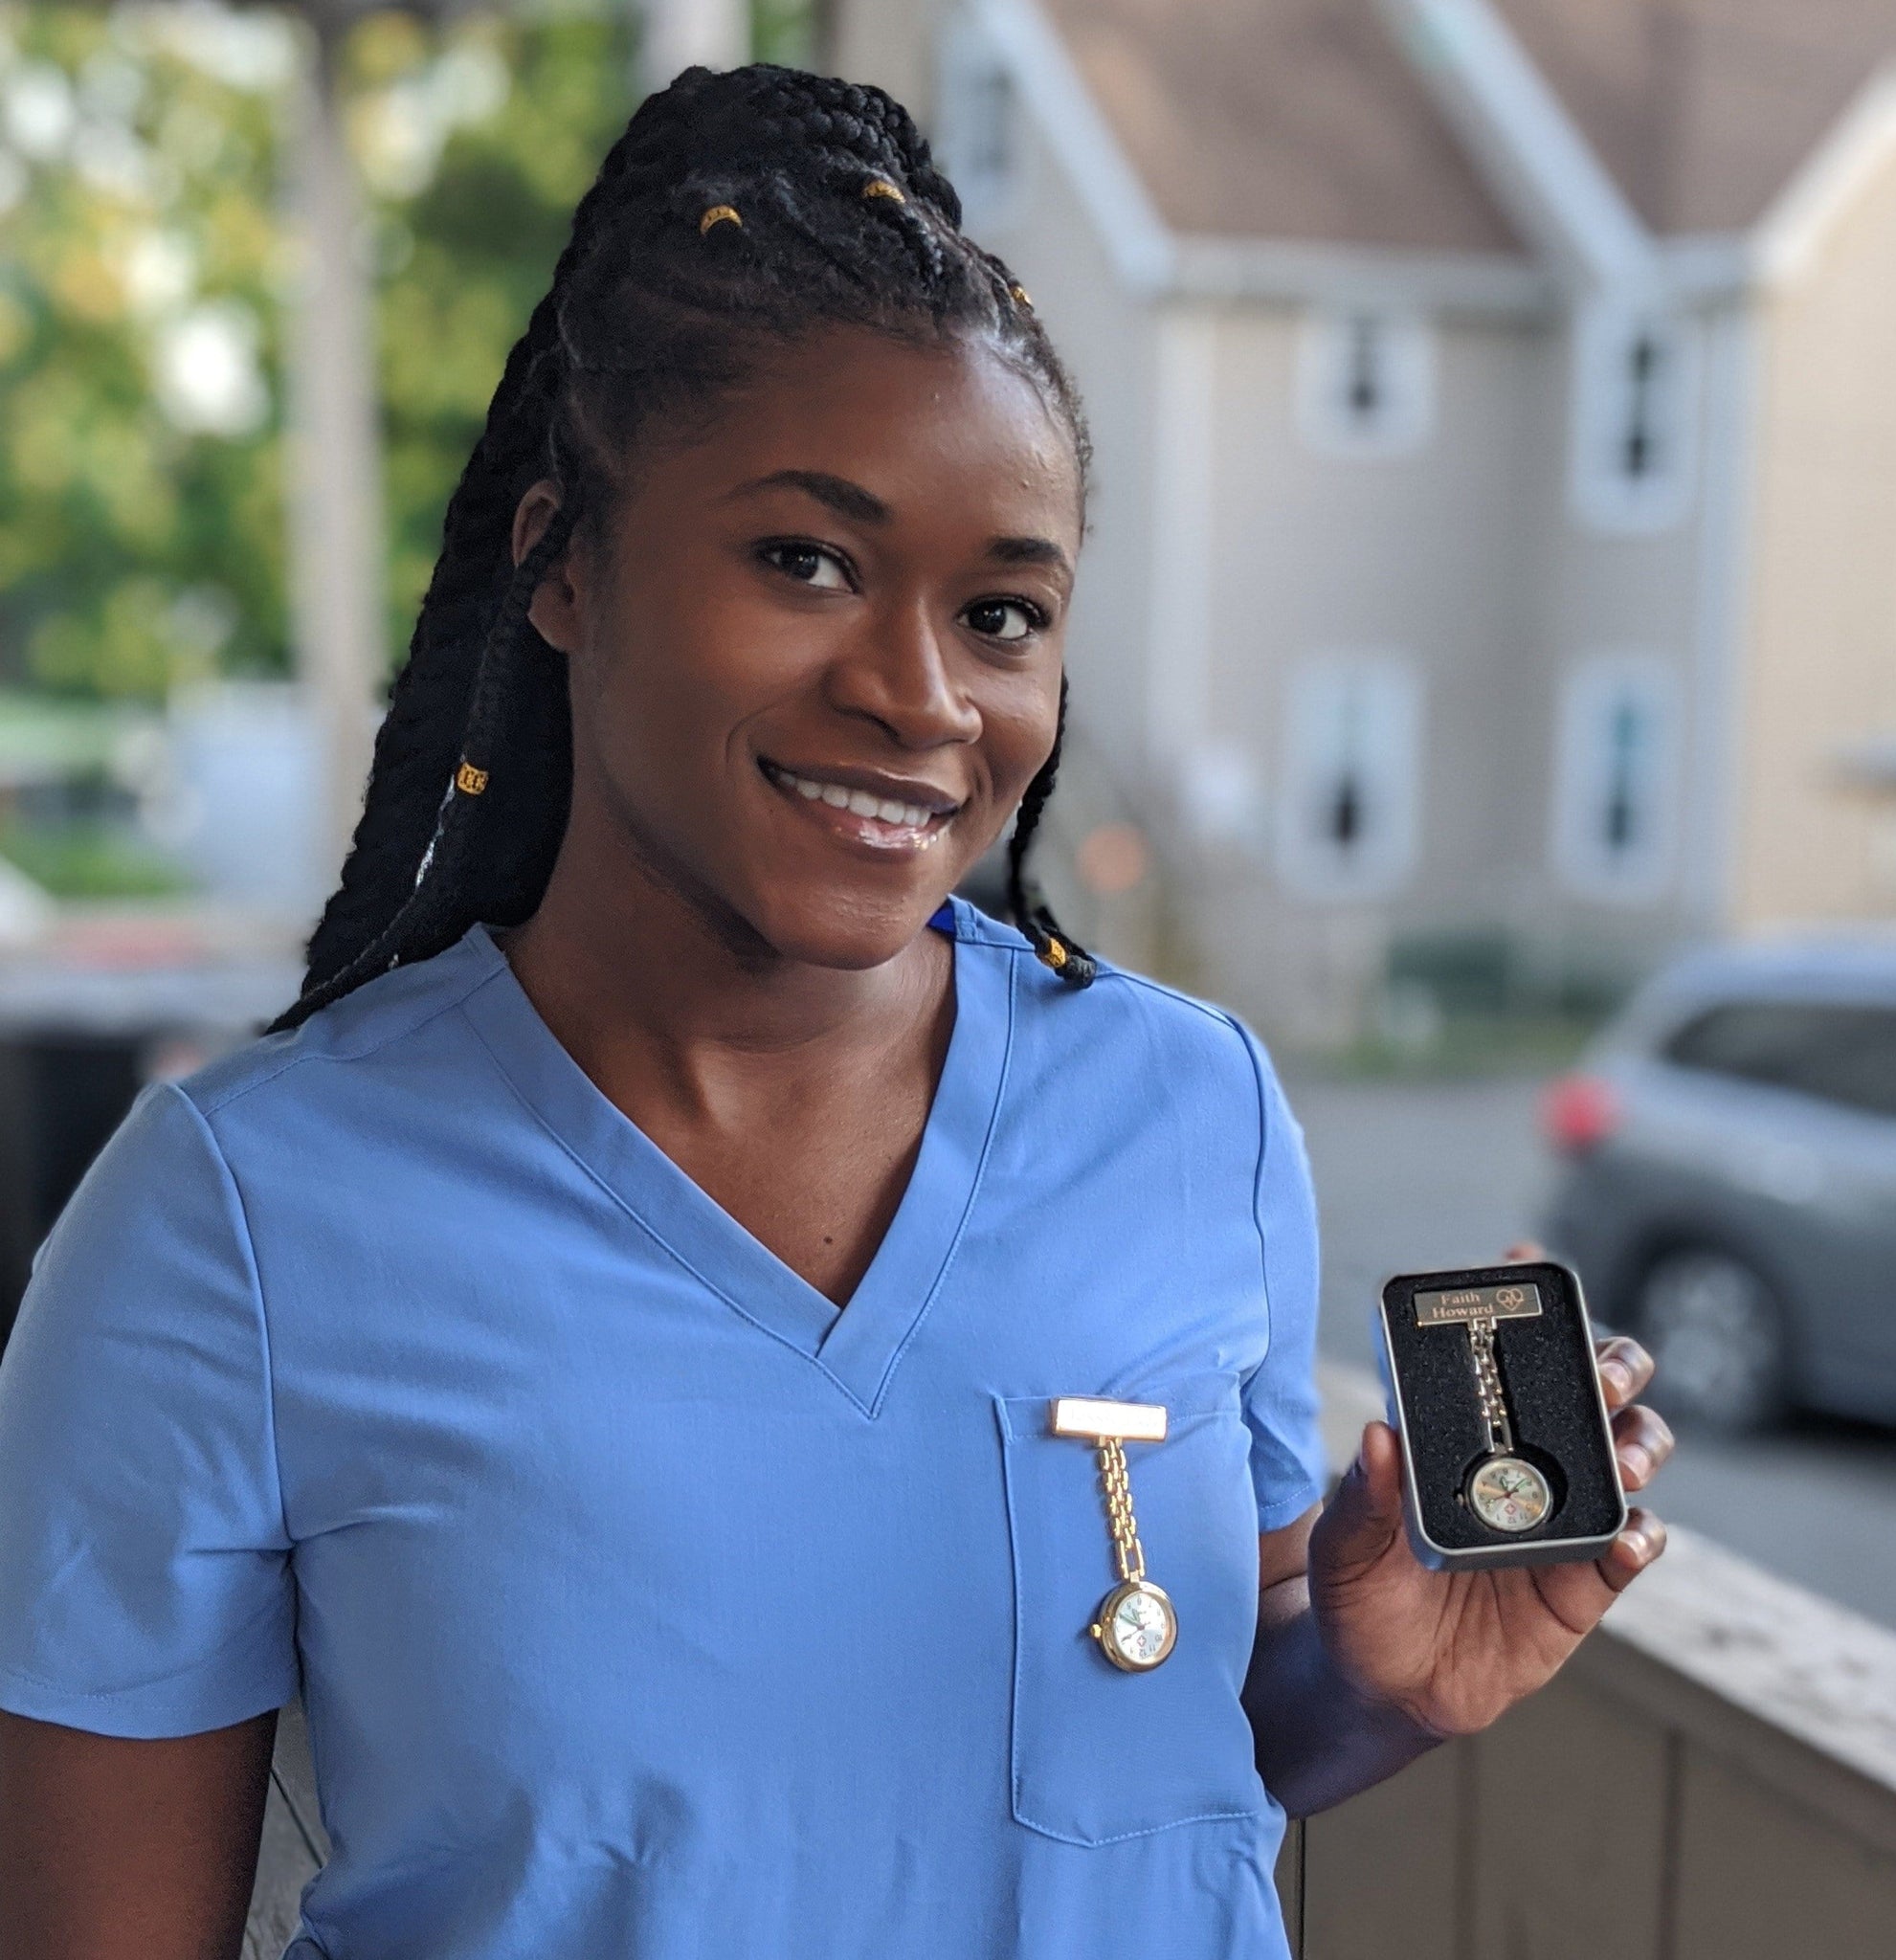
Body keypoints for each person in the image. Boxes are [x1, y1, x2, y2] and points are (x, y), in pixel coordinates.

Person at [0, 65, 1671, 1960]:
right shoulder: (240, 1219)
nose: (921, 696)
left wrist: (1378, 1679)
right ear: (561, 563)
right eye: (806, 562)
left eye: (1000, 614)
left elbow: (1169, 1748)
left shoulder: (1188, 1110)